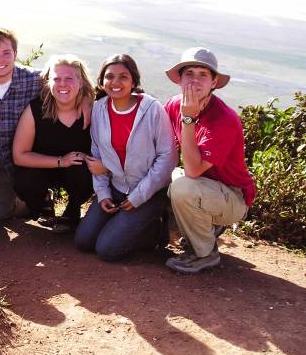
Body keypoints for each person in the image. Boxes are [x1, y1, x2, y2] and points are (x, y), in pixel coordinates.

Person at [0, 28, 91, 222]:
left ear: (16, 54)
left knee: (0, 214)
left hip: (12, 151)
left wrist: (85, 98)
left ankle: (40, 198)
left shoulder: (33, 79)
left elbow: (66, 83)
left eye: (6, 53)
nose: (0, 60)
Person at [74, 54, 177, 259]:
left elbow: (168, 156)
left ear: (134, 81)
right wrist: (103, 193)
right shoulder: (99, 110)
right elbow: (96, 154)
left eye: (123, 76)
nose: (116, 82)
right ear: (102, 82)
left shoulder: (151, 109)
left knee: (107, 250)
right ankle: (126, 225)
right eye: (110, 76)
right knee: (84, 241)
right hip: (115, 189)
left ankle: (156, 230)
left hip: (149, 192)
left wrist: (139, 196)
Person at [164, 47, 256, 273]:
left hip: (232, 196)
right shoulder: (173, 105)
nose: (195, 80)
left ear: (214, 82)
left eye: (203, 74)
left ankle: (204, 254)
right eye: (189, 73)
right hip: (204, 188)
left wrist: (188, 119)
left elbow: (193, 171)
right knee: (169, 176)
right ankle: (205, 228)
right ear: (180, 80)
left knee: (182, 186)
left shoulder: (224, 119)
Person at [12, 55, 95, 233]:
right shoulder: (35, 109)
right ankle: (43, 203)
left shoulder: (94, 108)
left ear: (80, 82)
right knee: (24, 179)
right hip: (44, 168)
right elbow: (19, 156)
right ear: (48, 82)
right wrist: (61, 161)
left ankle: (72, 210)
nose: (62, 84)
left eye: (69, 79)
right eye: (56, 79)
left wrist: (87, 99)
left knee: (84, 170)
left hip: (76, 173)